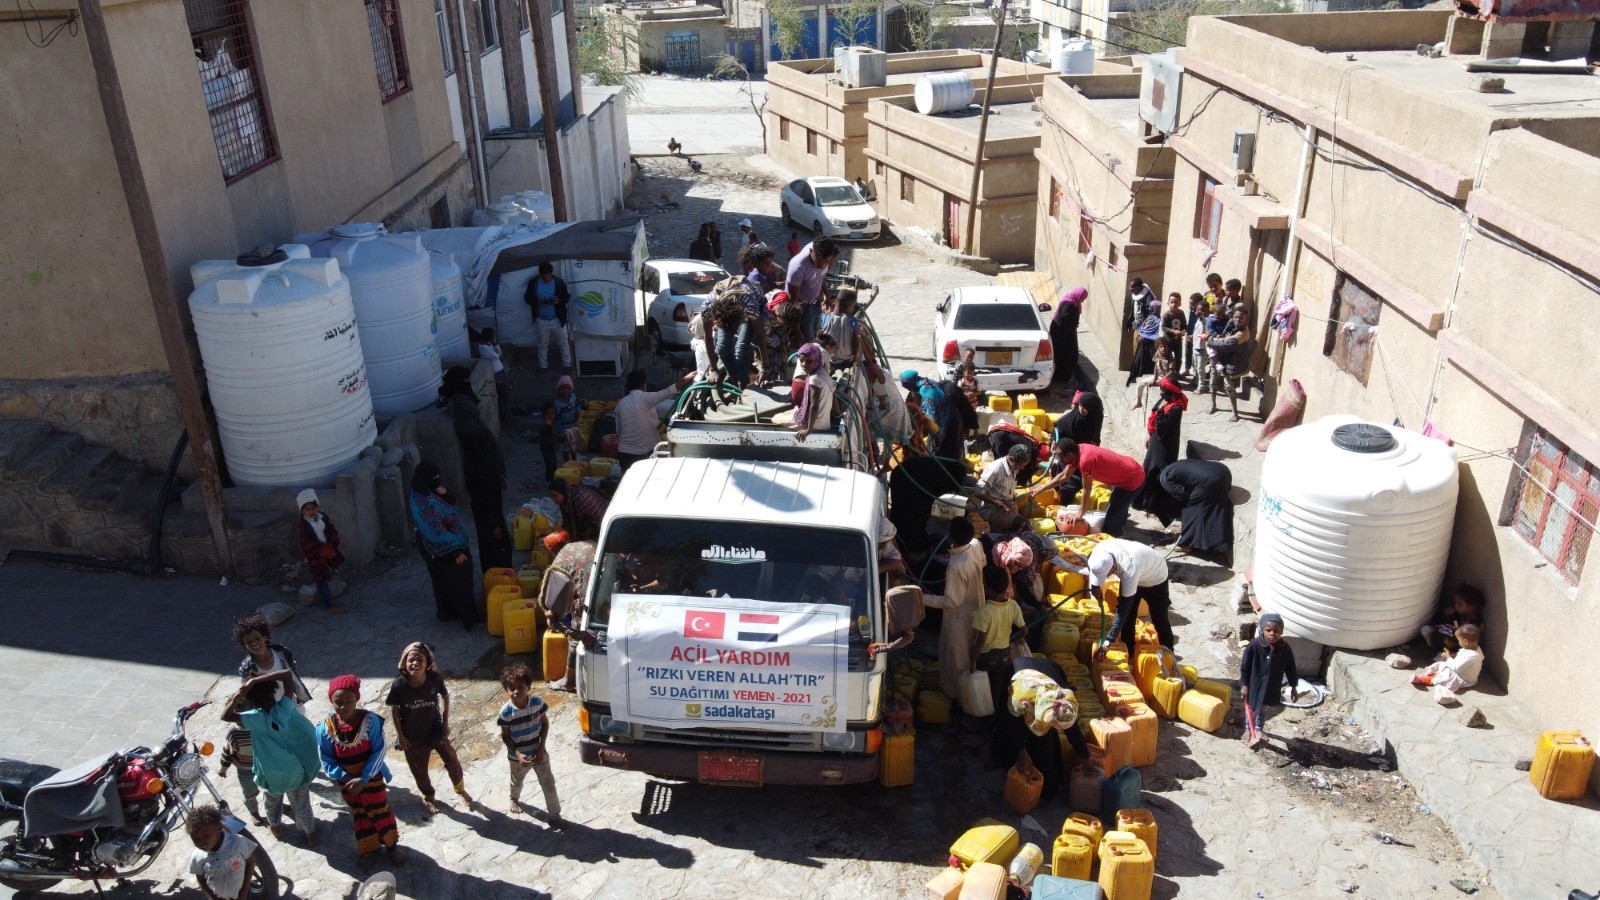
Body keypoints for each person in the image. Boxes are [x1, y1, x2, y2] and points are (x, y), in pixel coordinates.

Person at [221, 670, 320, 846]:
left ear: (250, 701)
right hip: (296, 769)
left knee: (272, 801)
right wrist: (257, 680)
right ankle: (310, 834)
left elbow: (225, 716)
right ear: (274, 691)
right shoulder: (285, 708)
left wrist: (237, 697)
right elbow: (287, 674)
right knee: (301, 803)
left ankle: (275, 827)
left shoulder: (254, 718)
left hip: (272, 772)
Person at [316, 675, 402, 870]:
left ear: (357, 699)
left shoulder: (370, 722)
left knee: (380, 812)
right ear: (331, 701)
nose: (343, 707)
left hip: (371, 778)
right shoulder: (324, 729)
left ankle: (392, 847)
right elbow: (326, 759)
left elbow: (379, 751)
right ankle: (369, 850)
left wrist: (363, 778)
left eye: (349, 701)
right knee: (360, 815)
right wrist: (346, 777)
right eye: (338, 702)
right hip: (348, 784)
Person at [385, 642, 471, 817]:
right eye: (411, 660)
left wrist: (445, 723)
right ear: (404, 662)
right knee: (420, 771)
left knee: (452, 759)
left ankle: (460, 789)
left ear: (427, 663)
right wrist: (400, 736)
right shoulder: (399, 685)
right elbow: (394, 710)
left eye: (420, 659)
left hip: (435, 730)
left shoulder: (435, 678)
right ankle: (428, 797)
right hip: (413, 737)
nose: (415, 663)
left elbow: (445, 696)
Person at [440, 367, 512, 571]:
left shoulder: (483, 455)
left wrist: (500, 473)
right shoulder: (478, 469)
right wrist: (494, 525)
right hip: (490, 520)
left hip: (492, 500)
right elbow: (482, 501)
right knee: (494, 547)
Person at [920, 517, 986, 711]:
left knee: (957, 660)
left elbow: (951, 602)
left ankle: (960, 702)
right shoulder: (976, 545)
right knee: (967, 654)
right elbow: (983, 562)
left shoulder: (957, 565)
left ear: (950, 537)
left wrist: (922, 598)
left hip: (959, 619)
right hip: (977, 610)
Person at [409, 461, 478, 627]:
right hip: (440, 547)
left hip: (448, 542)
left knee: (442, 579)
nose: (437, 480)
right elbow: (433, 527)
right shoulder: (421, 501)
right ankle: (467, 615)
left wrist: (447, 494)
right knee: (458, 579)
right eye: (434, 477)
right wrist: (454, 551)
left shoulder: (430, 491)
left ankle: (447, 611)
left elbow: (449, 506)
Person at [1031, 439, 1145, 537]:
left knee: (1111, 520)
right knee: (1117, 508)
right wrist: (1041, 489)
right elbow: (1064, 476)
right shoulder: (1078, 451)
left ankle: (1117, 540)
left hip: (1132, 479)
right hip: (1130, 470)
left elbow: (1087, 489)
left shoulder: (1086, 461)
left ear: (1069, 455)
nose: (1062, 461)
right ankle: (1119, 526)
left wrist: (1080, 514)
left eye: (1062, 459)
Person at [497, 663, 565, 825]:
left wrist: (541, 748)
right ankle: (514, 799)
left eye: (520, 687)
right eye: (511, 688)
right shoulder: (505, 713)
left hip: (538, 752)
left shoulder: (537, 703)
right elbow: (505, 736)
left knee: (548, 783)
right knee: (517, 781)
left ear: (528, 687)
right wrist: (518, 754)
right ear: (506, 690)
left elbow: (545, 723)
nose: (516, 692)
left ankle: (555, 816)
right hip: (518, 757)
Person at [1083, 537, 1175, 654]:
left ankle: (1169, 653)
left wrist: (1108, 643)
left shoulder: (1128, 570)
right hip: (1140, 566)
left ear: (1113, 567)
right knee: (1129, 618)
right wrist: (1095, 587)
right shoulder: (1098, 551)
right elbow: (1093, 569)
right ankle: (1129, 651)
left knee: (1159, 618)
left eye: (1106, 575)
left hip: (1155, 577)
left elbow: (1123, 611)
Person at [1131, 376, 1186, 522]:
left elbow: (1162, 429)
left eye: (1163, 388)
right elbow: (1153, 418)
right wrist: (1149, 435)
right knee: (1149, 469)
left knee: (1160, 474)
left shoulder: (1176, 408)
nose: (1161, 391)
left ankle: (1156, 506)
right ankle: (1144, 502)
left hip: (1165, 446)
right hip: (1156, 443)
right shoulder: (1165, 400)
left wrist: (1161, 412)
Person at [972, 565, 1024, 716]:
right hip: (1004, 654)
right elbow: (1024, 630)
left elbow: (980, 640)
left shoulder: (984, 611)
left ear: (988, 589)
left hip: (985, 656)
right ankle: (998, 714)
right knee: (998, 686)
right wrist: (1017, 639)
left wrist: (972, 660)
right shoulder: (1013, 605)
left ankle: (984, 715)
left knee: (982, 688)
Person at [615, 369, 694, 470]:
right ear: (643, 385)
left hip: (623, 455)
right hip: (641, 456)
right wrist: (689, 377)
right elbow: (669, 391)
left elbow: (619, 431)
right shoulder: (644, 398)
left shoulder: (621, 403)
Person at [1240, 612, 1298, 747]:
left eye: (1276, 631)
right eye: (1268, 630)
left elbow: (1291, 668)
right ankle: (1248, 729)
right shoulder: (1254, 645)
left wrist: (1293, 687)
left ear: (1281, 631)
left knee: (1264, 709)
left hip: (1271, 685)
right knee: (1252, 708)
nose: (1273, 634)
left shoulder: (1285, 648)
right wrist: (1245, 684)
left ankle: (1259, 729)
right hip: (1255, 685)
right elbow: (1245, 666)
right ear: (1262, 630)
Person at [1159, 457, 1235, 559]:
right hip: (1224, 472)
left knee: (1192, 510)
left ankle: (1186, 544)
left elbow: (1184, 494)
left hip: (1209, 480)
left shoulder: (1165, 479)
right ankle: (1216, 543)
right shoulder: (1176, 465)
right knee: (1213, 508)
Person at [233, 614, 312, 708]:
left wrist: (299, 696)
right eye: (248, 642)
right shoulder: (246, 668)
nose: (254, 643)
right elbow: (251, 693)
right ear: (244, 645)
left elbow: (293, 675)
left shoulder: (282, 653)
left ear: (265, 637)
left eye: (257, 638)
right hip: (270, 710)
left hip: (293, 704)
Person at [186, 805, 256, 900]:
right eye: (196, 839)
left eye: (206, 835)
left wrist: (243, 893)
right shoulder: (197, 856)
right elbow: (201, 879)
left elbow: (250, 862)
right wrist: (212, 897)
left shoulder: (237, 842)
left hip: (243, 895)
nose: (201, 842)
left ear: (219, 827)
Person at [293, 489, 346, 614]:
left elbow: (331, 530)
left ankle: (330, 600)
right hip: (315, 557)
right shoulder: (303, 525)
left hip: (326, 553)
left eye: (313, 508)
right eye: (307, 509)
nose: (311, 511)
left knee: (327, 577)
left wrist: (332, 546)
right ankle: (328, 606)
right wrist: (326, 551)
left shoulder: (323, 517)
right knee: (321, 580)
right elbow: (308, 544)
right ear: (302, 510)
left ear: (317, 507)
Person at [1411, 623, 1484, 705]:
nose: (1458, 642)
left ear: (1465, 641)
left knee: (1445, 676)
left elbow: (1455, 668)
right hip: (1459, 670)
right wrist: (1454, 655)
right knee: (1441, 664)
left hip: (1463, 679)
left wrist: (1448, 658)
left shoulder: (1472, 656)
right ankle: (1433, 672)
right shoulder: (1473, 648)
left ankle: (1424, 680)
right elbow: (1462, 657)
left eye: (1458, 640)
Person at [784, 238, 839, 342]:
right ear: (811, 251)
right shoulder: (798, 267)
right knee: (809, 342)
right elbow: (793, 303)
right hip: (802, 310)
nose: (822, 266)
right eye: (819, 262)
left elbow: (821, 276)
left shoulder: (824, 258)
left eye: (826, 262)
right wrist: (798, 332)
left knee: (818, 336)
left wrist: (827, 296)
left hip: (816, 303)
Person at [780, 342, 835, 442]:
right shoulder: (823, 373)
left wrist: (808, 430)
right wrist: (838, 413)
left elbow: (814, 406)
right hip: (825, 423)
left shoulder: (814, 379)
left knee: (778, 418)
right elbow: (834, 393)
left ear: (817, 360)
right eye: (801, 361)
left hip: (816, 426)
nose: (804, 364)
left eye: (809, 361)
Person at [524, 262, 571, 373]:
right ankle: (543, 366)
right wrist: (537, 302)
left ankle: (567, 365)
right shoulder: (533, 282)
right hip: (541, 319)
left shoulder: (558, 282)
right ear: (540, 275)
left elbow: (566, 297)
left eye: (548, 276)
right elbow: (527, 297)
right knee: (542, 344)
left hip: (557, 319)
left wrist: (558, 301)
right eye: (544, 276)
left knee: (563, 343)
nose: (546, 278)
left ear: (551, 273)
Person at [1208, 307, 1253, 422]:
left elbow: (1227, 344)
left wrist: (1211, 341)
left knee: (1229, 387)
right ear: (1232, 317)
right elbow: (1223, 338)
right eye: (1236, 317)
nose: (1238, 320)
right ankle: (1213, 405)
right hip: (1220, 357)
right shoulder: (1231, 325)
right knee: (1212, 382)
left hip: (1231, 361)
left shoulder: (1243, 333)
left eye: (1241, 318)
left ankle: (1235, 413)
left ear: (1246, 319)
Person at [975, 445, 1033, 533]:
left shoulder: (1013, 466)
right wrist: (1000, 503)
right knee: (1022, 524)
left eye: (1023, 465)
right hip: (990, 510)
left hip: (1006, 508)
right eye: (1020, 465)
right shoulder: (996, 469)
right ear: (1011, 459)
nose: (1022, 468)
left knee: (1025, 523)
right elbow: (978, 491)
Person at [217, 722, 264, 826]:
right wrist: (223, 769)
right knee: (249, 791)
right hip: (245, 769)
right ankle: (254, 812)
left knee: (272, 788)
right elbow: (227, 753)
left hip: (264, 766)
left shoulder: (260, 726)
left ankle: (276, 806)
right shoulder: (233, 734)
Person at [1421, 584, 1486, 654]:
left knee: (1428, 632)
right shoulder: (1459, 614)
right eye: (1456, 603)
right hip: (1447, 637)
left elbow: (1468, 643)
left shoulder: (1477, 625)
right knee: (1426, 628)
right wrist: (1448, 616)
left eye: (1459, 604)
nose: (1455, 606)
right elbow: (1451, 625)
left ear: (1472, 608)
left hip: (1456, 647)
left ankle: (1441, 650)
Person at [548, 476, 608, 543]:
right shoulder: (566, 500)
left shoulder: (580, 499)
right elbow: (568, 521)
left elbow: (582, 523)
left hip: (600, 521)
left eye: (555, 496)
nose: (553, 499)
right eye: (551, 496)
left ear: (563, 492)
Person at [1050, 287, 1086, 389]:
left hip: (1067, 332)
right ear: (1078, 295)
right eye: (1082, 298)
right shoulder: (1069, 304)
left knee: (1069, 354)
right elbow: (1064, 318)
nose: (1082, 301)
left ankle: (1064, 376)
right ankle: (1059, 377)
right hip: (1060, 334)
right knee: (1062, 354)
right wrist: (1071, 326)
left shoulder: (1074, 302)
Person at [475, 327, 512, 421]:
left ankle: (507, 414)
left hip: (499, 370)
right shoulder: (484, 346)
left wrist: (495, 344)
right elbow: (497, 355)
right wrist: (495, 344)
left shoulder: (488, 344)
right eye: (493, 335)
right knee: (505, 393)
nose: (495, 336)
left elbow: (500, 353)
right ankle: (505, 415)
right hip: (497, 372)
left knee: (506, 392)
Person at [1126, 295, 1161, 386]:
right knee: (1137, 363)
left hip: (1150, 347)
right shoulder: (1150, 317)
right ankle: (1133, 381)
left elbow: (1156, 334)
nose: (1149, 309)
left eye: (1151, 307)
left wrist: (1145, 337)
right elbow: (1143, 328)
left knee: (1145, 366)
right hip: (1141, 345)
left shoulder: (1159, 321)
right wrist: (1140, 335)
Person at [553, 375, 585, 463]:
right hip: (565, 429)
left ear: (571, 389)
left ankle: (574, 462)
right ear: (559, 390)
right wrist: (561, 433)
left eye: (568, 388)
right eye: (562, 388)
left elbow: (578, 404)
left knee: (573, 447)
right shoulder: (557, 403)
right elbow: (557, 419)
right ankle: (567, 463)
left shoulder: (573, 397)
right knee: (565, 448)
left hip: (574, 427)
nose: (565, 391)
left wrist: (578, 411)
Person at [1184, 293, 1208, 378]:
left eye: (1193, 305)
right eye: (1190, 304)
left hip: (1198, 339)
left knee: (1196, 357)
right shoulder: (1190, 311)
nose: (1191, 306)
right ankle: (1187, 369)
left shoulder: (1202, 315)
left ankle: (1196, 373)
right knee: (1187, 352)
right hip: (1189, 335)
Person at [537, 401, 560, 480]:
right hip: (545, 446)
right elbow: (543, 432)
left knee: (554, 462)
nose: (551, 415)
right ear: (544, 415)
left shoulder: (553, 423)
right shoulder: (545, 423)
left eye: (553, 413)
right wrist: (548, 426)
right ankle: (549, 477)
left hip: (551, 445)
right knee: (549, 462)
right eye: (548, 414)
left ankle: (552, 475)